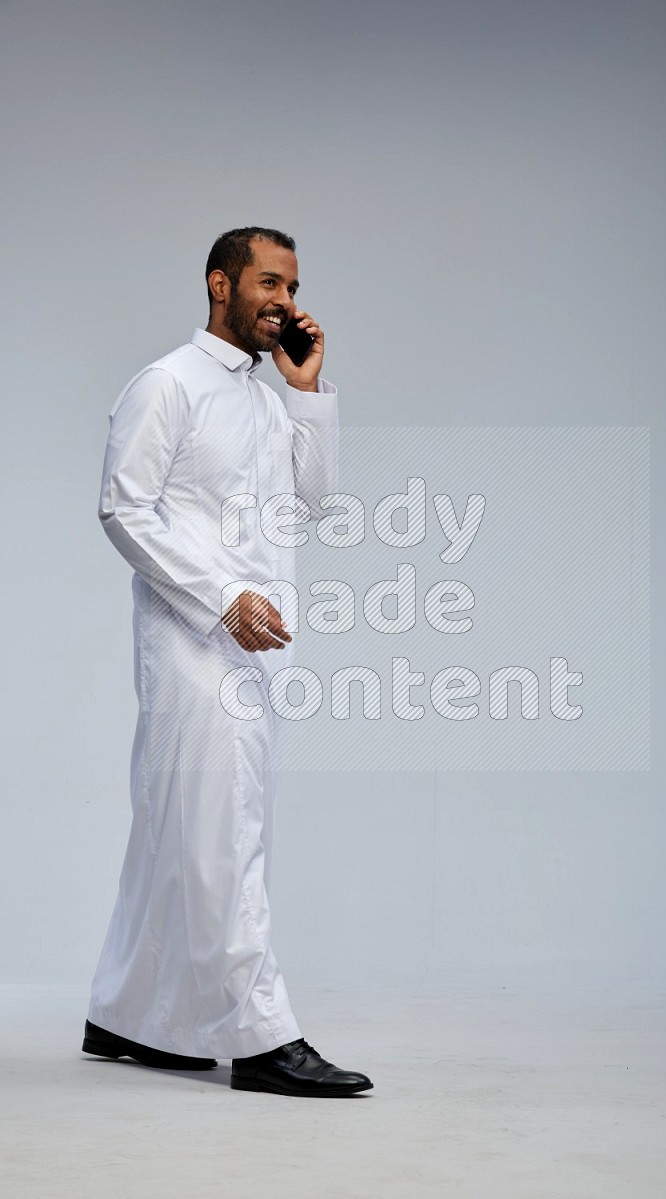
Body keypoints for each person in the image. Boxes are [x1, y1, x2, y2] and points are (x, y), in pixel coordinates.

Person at [82, 226, 373, 1098]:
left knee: (179, 834)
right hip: (192, 649)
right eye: (270, 283)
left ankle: (130, 1015)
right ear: (221, 283)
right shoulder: (167, 385)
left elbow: (312, 502)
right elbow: (124, 510)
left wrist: (308, 391)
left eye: (292, 286)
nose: (285, 301)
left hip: (255, 651)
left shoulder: (262, 397)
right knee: (224, 834)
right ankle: (260, 1036)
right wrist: (220, 597)